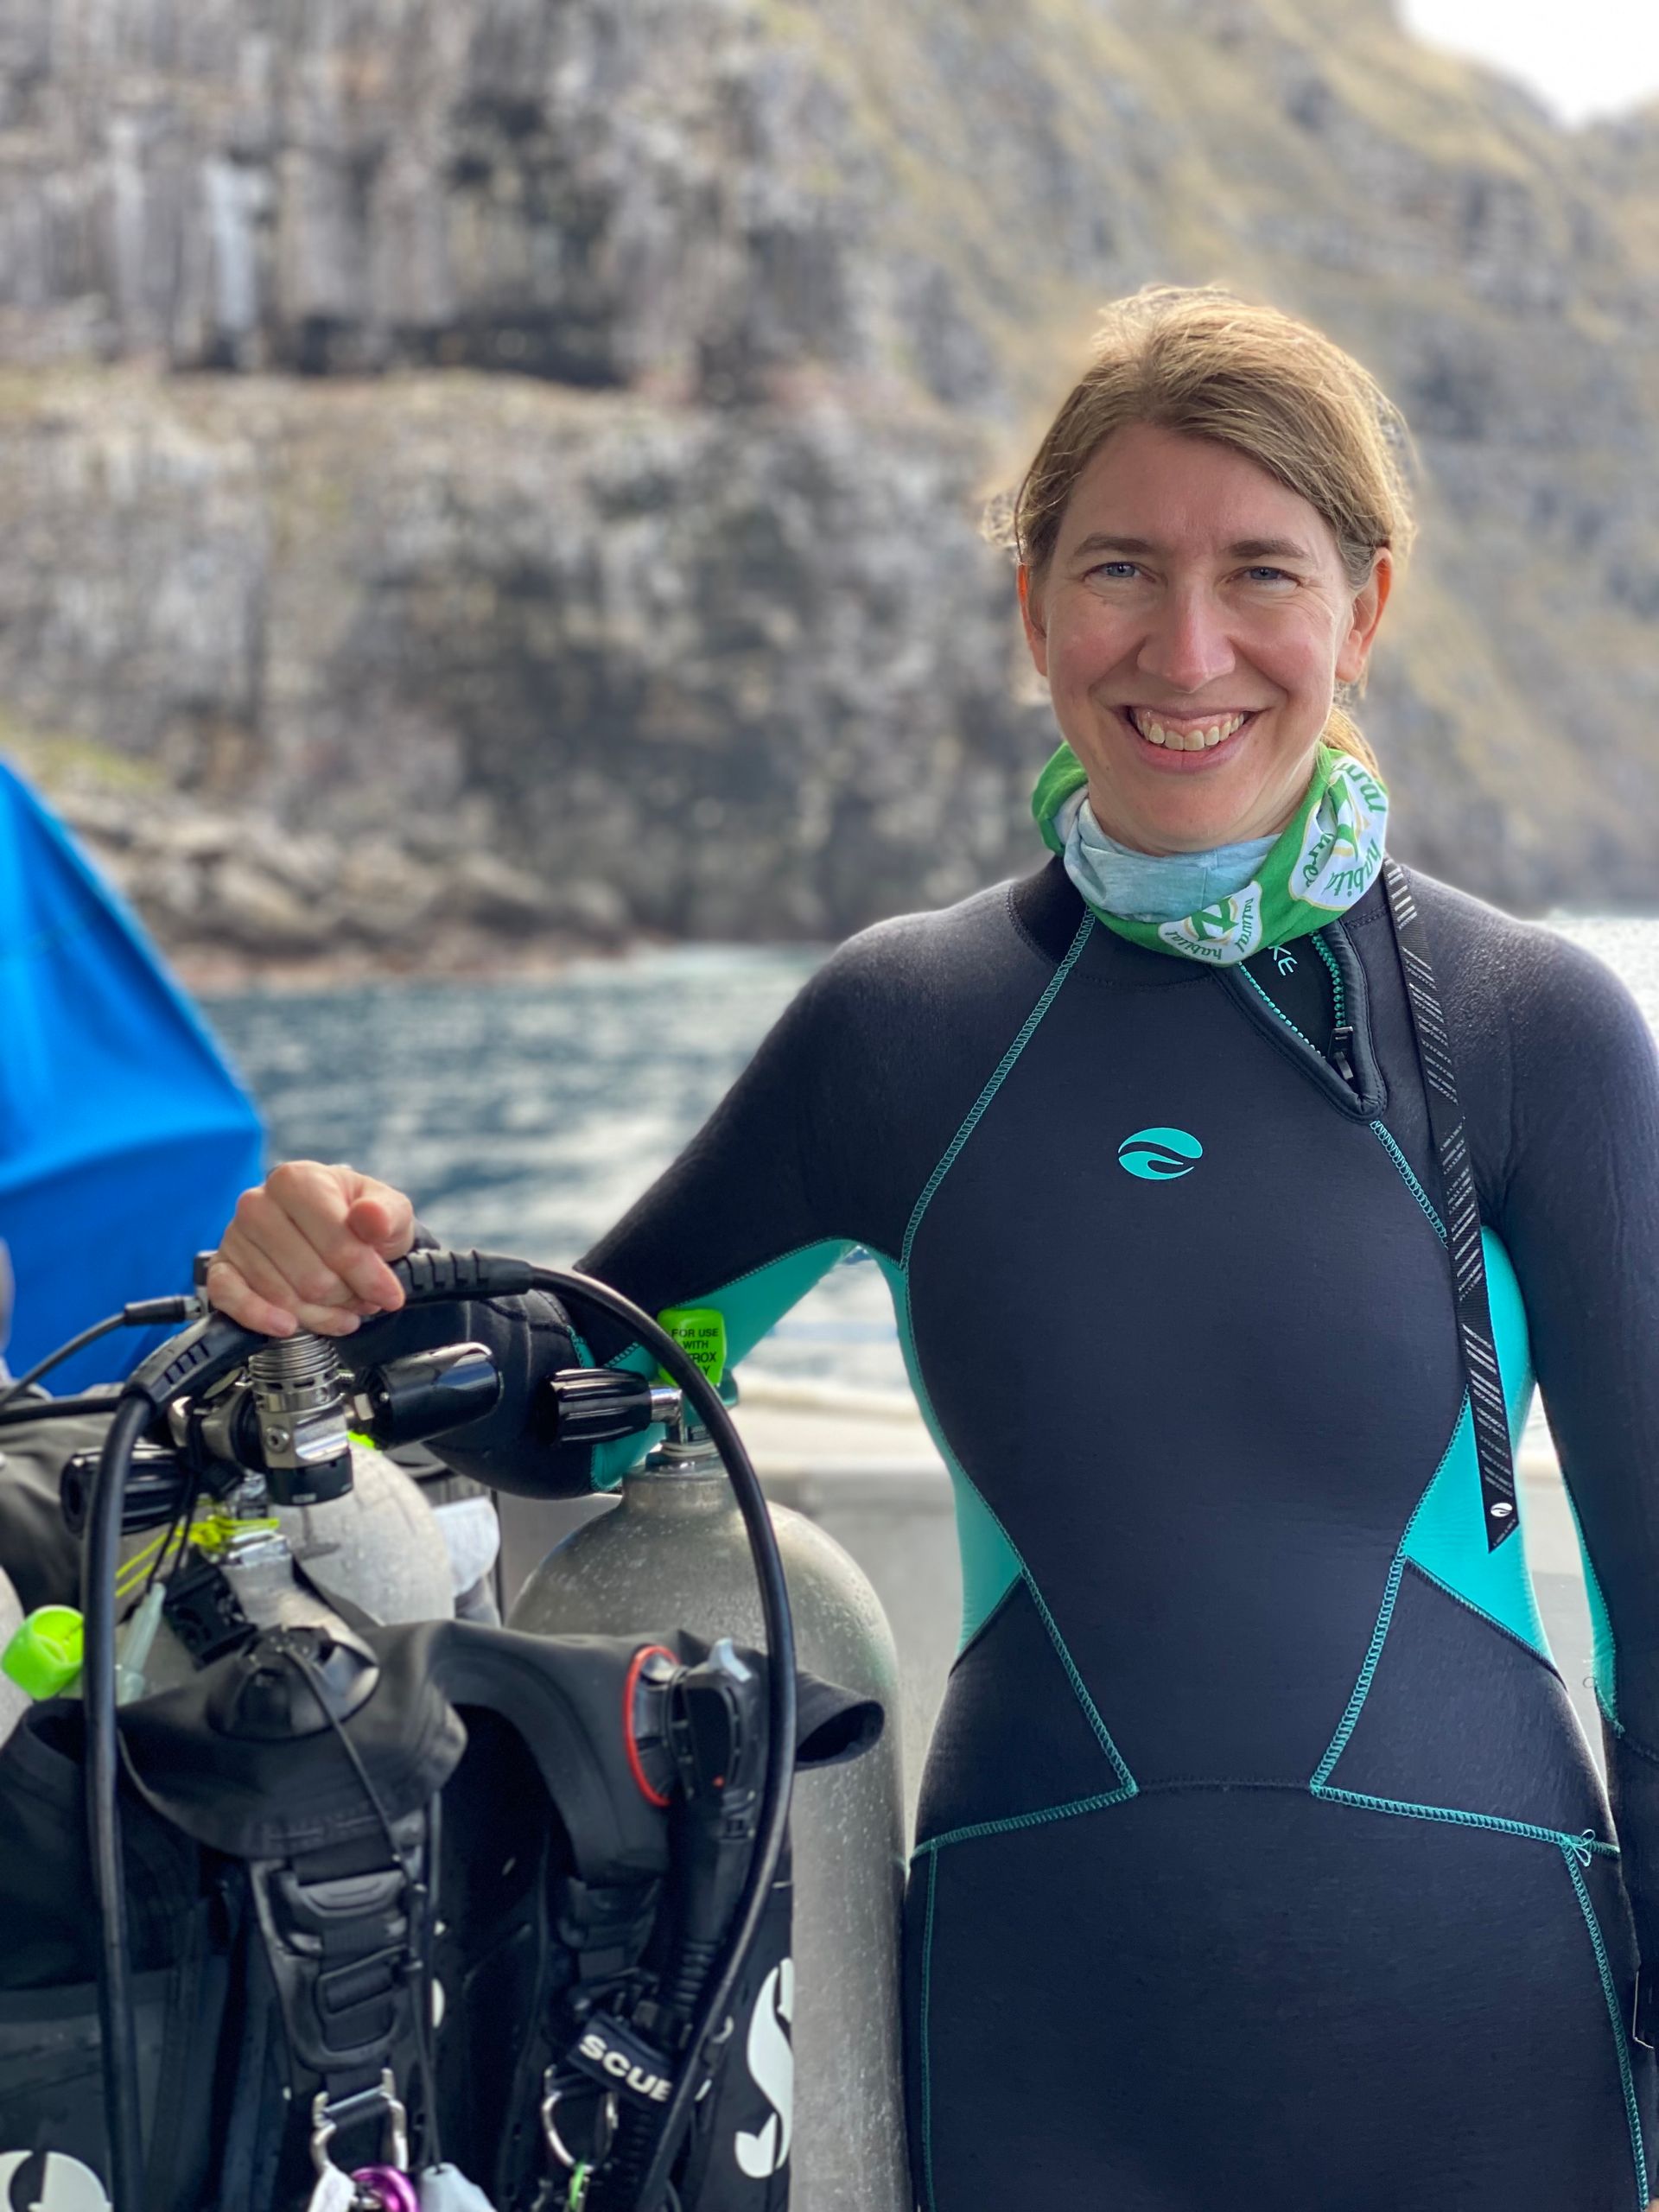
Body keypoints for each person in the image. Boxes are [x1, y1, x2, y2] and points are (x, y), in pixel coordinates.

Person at [204, 288, 1659, 2209]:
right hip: (1049, 2035)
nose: (1189, 646)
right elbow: (581, 1399)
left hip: (1490, 2024)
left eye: (1263, 574)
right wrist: (344, 1265)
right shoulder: (905, 1030)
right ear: (1034, 605)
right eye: (1121, 567)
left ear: (1363, 610)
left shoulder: (1529, 1021)